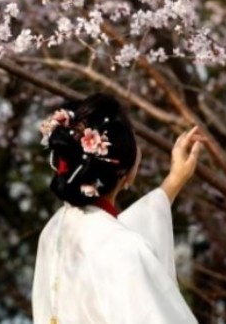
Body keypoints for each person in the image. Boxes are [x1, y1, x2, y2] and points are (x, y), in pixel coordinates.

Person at [31, 93, 204, 324]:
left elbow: (114, 236)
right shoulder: (123, 247)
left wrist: (173, 182)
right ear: (125, 172)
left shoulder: (55, 229)